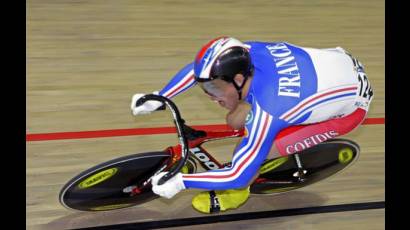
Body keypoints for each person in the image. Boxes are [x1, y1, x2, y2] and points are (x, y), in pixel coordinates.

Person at [130, 37, 373, 214]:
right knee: (234, 120)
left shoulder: (271, 110)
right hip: (340, 64)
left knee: (248, 153)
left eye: (214, 88)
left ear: (238, 79)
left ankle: (237, 196)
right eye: (207, 89)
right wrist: (161, 97)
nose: (210, 96)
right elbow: (202, 71)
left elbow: (238, 175)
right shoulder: (248, 52)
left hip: (348, 111)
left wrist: (182, 182)